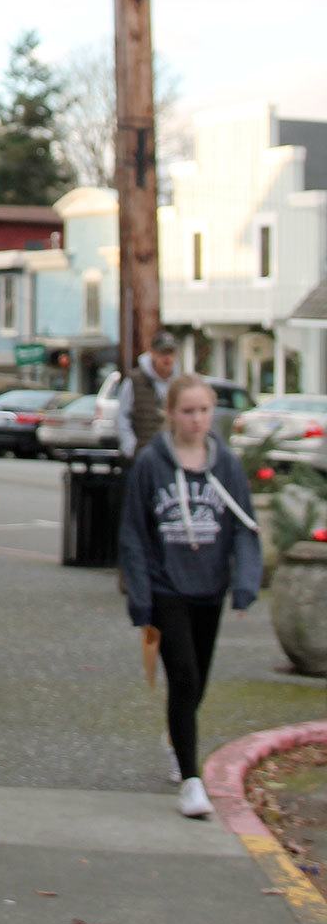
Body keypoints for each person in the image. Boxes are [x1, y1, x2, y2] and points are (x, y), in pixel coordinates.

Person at [118, 374, 262, 818]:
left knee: (197, 681)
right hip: (167, 587)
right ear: (171, 414)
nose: (197, 420)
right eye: (187, 411)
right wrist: (140, 598)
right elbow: (134, 535)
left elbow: (244, 526)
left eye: (204, 411)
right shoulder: (151, 463)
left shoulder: (227, 465)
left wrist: (244, 584)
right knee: (182, 676)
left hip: (209, 587)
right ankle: (192, 781)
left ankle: (177, 740)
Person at [116, 329, 180, 458]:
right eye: (163, 353)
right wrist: (130, 447)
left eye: (171, 353)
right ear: (153, 353)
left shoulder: (179, 383)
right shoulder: (134, 381)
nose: (167, 358)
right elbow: (121, 417)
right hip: (142, 454)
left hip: (172, 455)